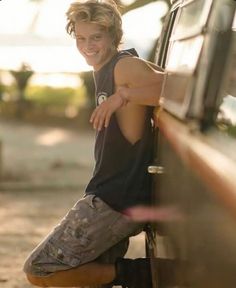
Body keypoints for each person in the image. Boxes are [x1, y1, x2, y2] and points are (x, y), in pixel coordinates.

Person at [23, 1, 177, 287]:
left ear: (113, 35)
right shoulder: (111, 66)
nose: (87, 46)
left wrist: (123, 97)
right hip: (108, 192)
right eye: (81, 38)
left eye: (96, 37)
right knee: (88, 276)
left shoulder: (124, 66)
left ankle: (147, 274)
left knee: (40, 269)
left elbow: (187, 87)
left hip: (117, 199)